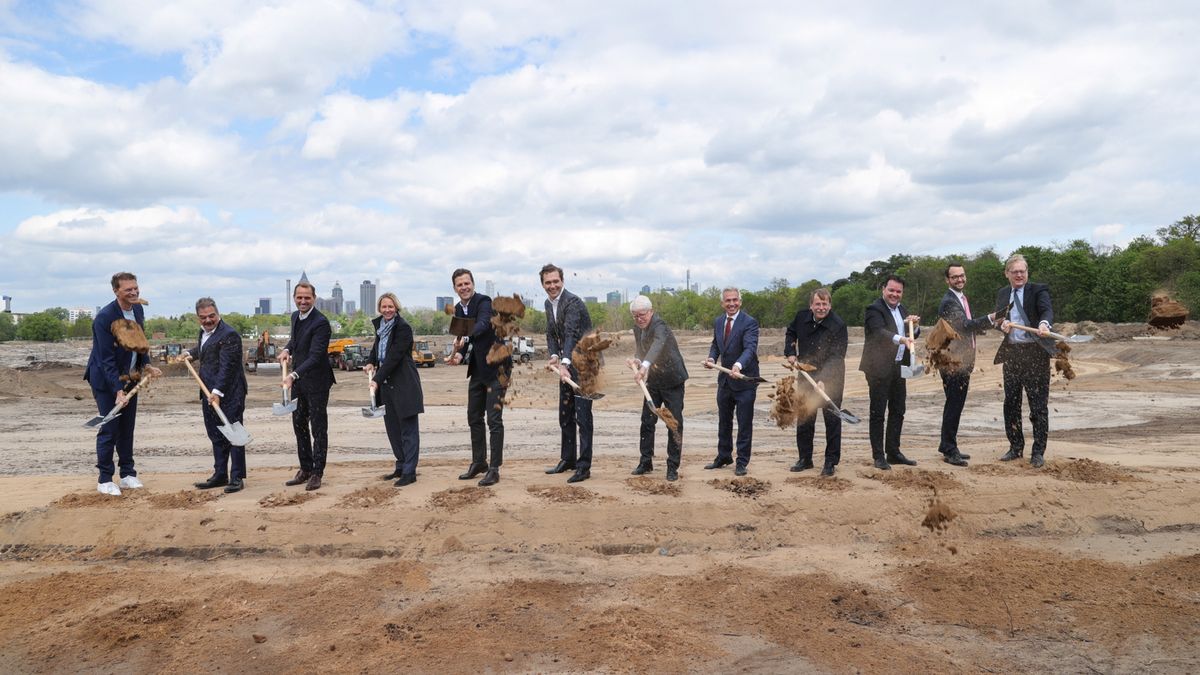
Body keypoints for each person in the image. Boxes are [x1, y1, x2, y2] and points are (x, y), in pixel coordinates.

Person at [84, 272, 161, 496]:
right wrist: (117, 391)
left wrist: (146, 365)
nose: (134, 292)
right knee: (110, 427)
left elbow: (140, 342)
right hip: (107, 380)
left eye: (136, 288)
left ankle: (127, 474)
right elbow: (105, 358)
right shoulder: (105, 318)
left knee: (127, 428)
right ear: (116, 291)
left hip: (131, 378)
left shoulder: (137, 309)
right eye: (128, 290)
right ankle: (105, 479)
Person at [445, 268, 511, 487]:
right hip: (478, 370)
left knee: (494, 420)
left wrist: (464, 337)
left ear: (473, 284)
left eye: (467, 283)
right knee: (474, 417)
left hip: (497, 369)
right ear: (454, 288)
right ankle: (479, 462)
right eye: (459, 285)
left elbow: (482, 326)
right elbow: (466, 341)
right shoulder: (457, 308)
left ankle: (494, 469)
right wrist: (460, 355)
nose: (464, 287)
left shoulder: (484, 302)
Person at [993, 254, 1056, 468]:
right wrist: (1001, 325)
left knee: (1038, 405)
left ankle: (1038, 452)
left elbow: (1046, 310)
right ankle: (1015, 447)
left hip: (1035, 353)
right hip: (1012, 354)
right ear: (1007, 274)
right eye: (1015, 272)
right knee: (1011, 403)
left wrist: (1045, 324)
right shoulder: (1003, 294)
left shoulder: (1038, 290)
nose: (1019, 275)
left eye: (1023, 271)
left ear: (1027, 273)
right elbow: (999, 319)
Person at [936, 263, 998, 467]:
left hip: (962, 360)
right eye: (955, 277)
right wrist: (990, 319)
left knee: (956, 404)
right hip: (953, 361)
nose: (960, 279)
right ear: (947, 280)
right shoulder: (949, 302)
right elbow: (964, 325)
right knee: (954, 404)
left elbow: (966, 329)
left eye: (962, 275)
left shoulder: (960, 298)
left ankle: (948, 445)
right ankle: (949, 449)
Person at [186, 298, 249, 493]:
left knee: (233, 433)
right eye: (203, 317)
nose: (208, 320)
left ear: (218, 314)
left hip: (229, 393)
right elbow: (206, 349)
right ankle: (220, 474)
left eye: (211, 316)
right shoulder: (204, 332)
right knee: (215, 434)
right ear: (199, 318)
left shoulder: (230, 335)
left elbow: (227, 368)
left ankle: (237, 477)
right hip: (209, 392)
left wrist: (217, 392)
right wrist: (190, 353)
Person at [859, 275, 920, 470]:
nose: (895, 294)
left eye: (898, 291)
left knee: (898, 410)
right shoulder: (874, 309)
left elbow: (911, 335)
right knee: (878, 413)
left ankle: (893, 451)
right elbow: (878, 333)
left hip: (897, 367)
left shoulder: (902, 309)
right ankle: (878, 456)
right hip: (878, 368)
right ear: (883, 289)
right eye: (891, 290)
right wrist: (901, 339)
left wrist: (915, 327)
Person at [278, 281, 335, 490]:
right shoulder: (295, 317)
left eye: (307, 298)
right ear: (294, 298)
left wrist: (293, 374)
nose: (303, 301)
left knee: (318, 428)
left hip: (317, 382)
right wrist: (286, 349)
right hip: (298, 381)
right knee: (298, 424)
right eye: (299, 297)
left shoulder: (321, 322)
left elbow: (316, 355)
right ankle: (305, 468)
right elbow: (295, 341)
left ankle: (317, 473)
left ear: (314, 299)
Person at [784, 288, 847, 476]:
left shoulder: (838, 325)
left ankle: (830, 461)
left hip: (832, 378)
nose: (821, 308)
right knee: (805, 417)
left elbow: (837, 357)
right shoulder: (801, 318)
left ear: (830, 305)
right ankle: (805, 458)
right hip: (806, 374)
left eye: (824, 304)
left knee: (832, 420)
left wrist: (823, 380)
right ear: (811, 305)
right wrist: (790, 352)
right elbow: (790, 333)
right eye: (817, 304)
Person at [541, 263, 594, 483]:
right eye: (548, 282)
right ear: (543, 284)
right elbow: (552, 334)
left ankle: (584, 467)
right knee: (565, 414)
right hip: (566, 363)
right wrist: (554, 355)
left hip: (585, 365)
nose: (552, 286)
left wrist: (564, 363)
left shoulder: (573, 302)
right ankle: (568, 459)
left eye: (556, 281)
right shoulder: (548, 303)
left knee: (583, 417)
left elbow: (571, 334)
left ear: (562, 281)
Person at [366, 293, 424, 487]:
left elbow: (394, 357)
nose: (387, 310)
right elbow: (378, 349)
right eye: (384, 307)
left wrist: (376, 379)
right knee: (393, 429)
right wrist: (370, 362)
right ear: (379, 308)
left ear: (396, 307)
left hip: (404, 384)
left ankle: (410, 471)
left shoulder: (403, 328)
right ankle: (400, 465)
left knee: (408, 430)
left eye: (390, 306)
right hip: (387, 386)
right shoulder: (380, 327)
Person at [627, 295, 688, 481]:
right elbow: (642, 349)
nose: (639, 319)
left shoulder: (660, 326)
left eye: (642, 315)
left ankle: (672, 467)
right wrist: (637, 360)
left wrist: (644, 367)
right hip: (654, 381)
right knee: (647, 421)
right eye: (635, 316)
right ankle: (646, 462)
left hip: (672, 381)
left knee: (674, 424)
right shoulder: (638, 328)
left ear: (651, 312)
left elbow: (657, 346)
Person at [702, 287, 760, 476]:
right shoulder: (719, 321)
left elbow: (750, 349)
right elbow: (715, 344)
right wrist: (712, 358)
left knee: (744, 423)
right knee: (724, 422)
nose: (732, 303)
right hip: (725, 381)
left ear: (740, 302)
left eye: (735, 300)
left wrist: (738, 365)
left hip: (744, 381)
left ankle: (742, 461)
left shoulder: (750, 323)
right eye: (728, 300)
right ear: (722, 303)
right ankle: (724, 456)